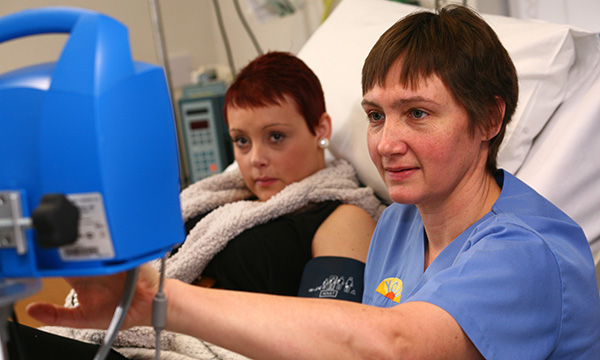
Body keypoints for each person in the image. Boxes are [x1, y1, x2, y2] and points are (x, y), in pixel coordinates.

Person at [27, 5, 600, 359]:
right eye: (376, 116)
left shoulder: (526, 254)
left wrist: (153, 302)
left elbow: (393, 346)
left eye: (418, 114)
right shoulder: (401, 220)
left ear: (490, 119)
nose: (386, 143)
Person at [11, 52, 383, 359]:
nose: (255, 159)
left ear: (321, 129)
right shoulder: (216, 201)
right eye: (241, 141)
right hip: (132, 337)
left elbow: (330, 339)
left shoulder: (341, 214)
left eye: (275, 137)